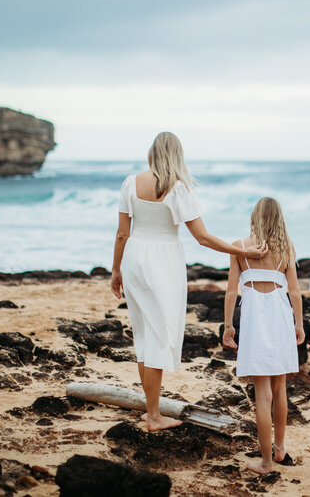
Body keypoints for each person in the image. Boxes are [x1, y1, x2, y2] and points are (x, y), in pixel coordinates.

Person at [110, 132, 268, 432]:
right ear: (176, 155)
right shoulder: (178, 188)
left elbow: (121, 234)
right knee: (159, 334)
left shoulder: (130, 182)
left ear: (152, 153)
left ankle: (151, 410)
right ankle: (154, 416)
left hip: (134, 259)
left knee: (144, 335)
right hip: (163, 261)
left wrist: (115, 271)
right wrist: (241, 250)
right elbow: (203, 237)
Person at [222, 197, 305, 474]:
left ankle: (267, 462)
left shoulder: (240, 246)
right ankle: (279, 449)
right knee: (280, 386)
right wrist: (299, 323)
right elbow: (294, 292)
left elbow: (232, 290)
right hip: (281, 315)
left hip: (256, 318)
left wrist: (228, 325)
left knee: (262, 394)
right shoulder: (286, 248)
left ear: (254, 216)